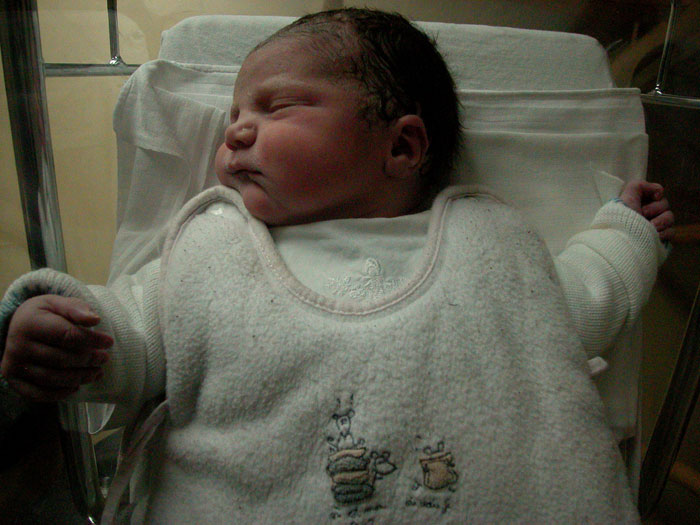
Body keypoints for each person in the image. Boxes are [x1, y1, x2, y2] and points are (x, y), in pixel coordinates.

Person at [0, 8, 673, 523]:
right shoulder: (214, 254)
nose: (234, 130)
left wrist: (626, 234)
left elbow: (586, 299)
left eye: (277, 106)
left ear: (402, 148)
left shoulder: (490, 252)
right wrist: (70, 331)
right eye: (234, 112)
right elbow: (135, 333)